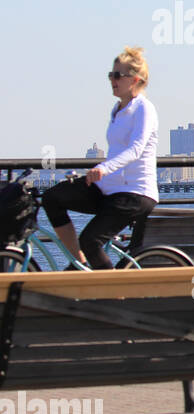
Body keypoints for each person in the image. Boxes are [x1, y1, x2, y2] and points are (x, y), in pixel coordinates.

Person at [43, 47, 159, 269]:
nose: (112, 80)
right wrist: (101, 173)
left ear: (134, 80)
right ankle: (80, 264)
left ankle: (115, 295)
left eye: (118, 75)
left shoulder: (144, 109)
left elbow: (136, 149)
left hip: (134, 193)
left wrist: (104, 168)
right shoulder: (117, 109)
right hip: (109, 189)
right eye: (110, 75)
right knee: (52, 198)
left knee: (91, 241)